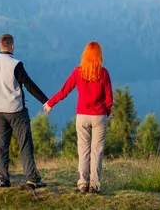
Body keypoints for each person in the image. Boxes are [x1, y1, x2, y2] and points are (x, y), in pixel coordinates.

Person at [44, 41, 113, 193]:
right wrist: (106, 112)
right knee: (97, 151)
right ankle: (95, 185)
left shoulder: (78, 72)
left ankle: (83, 183)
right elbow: (109, 99)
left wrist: (50, 103)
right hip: (99, 116)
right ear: (99, 56)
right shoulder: (104, 73)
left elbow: (64, 91)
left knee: (83, 150)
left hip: (82, 116)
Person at [0, 34, 48, 188]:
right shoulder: (16, 64)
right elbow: (29, 84)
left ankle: (2, 179)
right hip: (16, 110)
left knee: (1, 146)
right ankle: (32, 178)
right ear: (12, 46)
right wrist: (45, 100)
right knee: (25, 144)